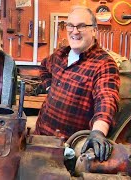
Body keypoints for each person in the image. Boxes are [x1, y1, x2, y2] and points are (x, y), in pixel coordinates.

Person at [34, 6, 120, 162]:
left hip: (67, 151)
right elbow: (43, 67)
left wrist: (98, 132)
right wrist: (49, 87)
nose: (75, 31)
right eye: (70, 26)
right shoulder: (61, 54)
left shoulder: (104, 64)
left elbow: (106, 99)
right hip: (40, 138)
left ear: (94, 30)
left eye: (81, 26)